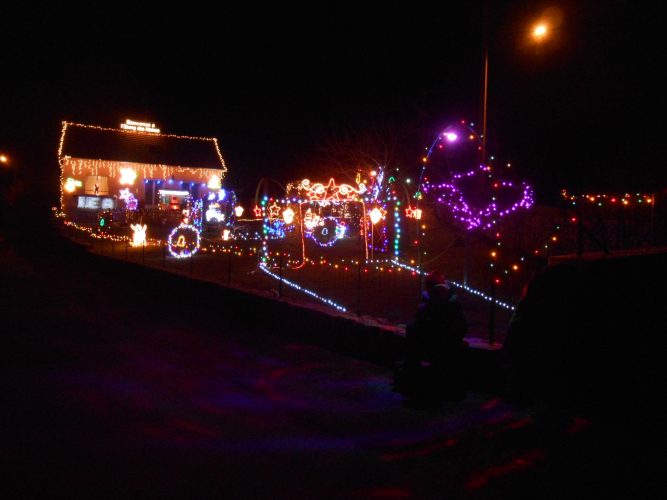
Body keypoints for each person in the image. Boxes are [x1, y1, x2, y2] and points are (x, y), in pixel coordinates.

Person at [394, 270, 468, 402]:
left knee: (412, 334)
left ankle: (412, 374)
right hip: (444, 341)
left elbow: (418, 324)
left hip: (436, 342)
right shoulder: (452, 301)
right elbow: (462, 326)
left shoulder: (434, 303)